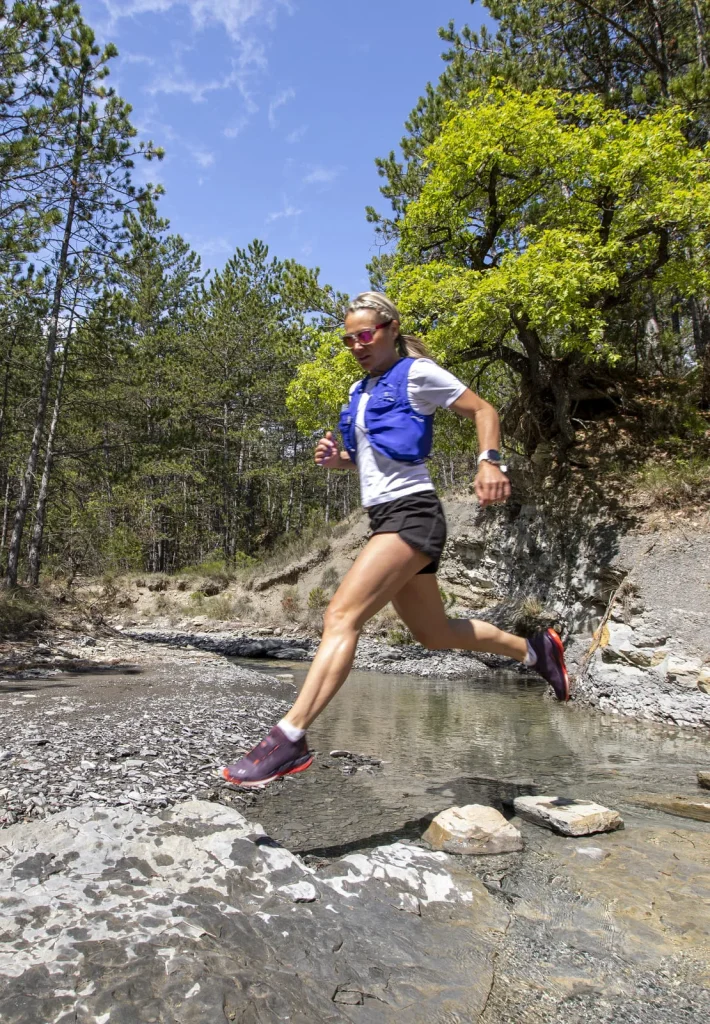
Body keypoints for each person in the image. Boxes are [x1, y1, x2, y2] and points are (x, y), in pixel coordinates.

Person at [222, 292, 568, 789]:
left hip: (413, 515)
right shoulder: (358, 388)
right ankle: (534, 649)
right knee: (434, 633)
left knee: (341, 616)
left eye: (365, 334)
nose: (356, 345)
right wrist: (337, 461)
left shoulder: (418, 373)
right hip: (385, 516)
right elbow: (370, 459)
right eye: (349, 338)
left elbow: (484, 409)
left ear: (390, 328)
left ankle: (289, 738)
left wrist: (490, 460)